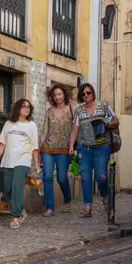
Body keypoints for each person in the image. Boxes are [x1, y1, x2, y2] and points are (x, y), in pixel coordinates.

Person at [72, 83, 119, 219]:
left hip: (102, 147)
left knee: (101, 176)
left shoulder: (104, 106)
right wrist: (71, 145)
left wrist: (107, 122)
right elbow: (75, 129)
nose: (86, 95)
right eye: (83, 94)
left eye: (88, 93)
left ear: (93, 93)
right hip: (84, 147)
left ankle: (105, 196)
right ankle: (88, 208)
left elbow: (116, 121)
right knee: (85, 177)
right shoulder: (79, 110)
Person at [0, 98, 39, 229]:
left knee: (17, 189)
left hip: (23, 161)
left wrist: (37, 165)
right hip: (8, 161)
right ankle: (21, 209)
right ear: (18, 108)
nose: (26, 109)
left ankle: (15, 218)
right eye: (24, 106)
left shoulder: (31, 125)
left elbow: (35, 146)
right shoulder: (9, 124)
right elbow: (2, 144)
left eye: (28, 107)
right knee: (8, 190)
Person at [39, 84, 76, 215]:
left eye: (59, 94)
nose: (57, 97)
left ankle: (67, 200)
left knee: (61, 178)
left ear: (64, 95)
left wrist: (73, 146)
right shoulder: (49, 111)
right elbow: (44, 131)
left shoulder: (72, 109)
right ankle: (50, 208)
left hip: (64, 150)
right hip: (48, 149)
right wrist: (39, 148)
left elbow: (76, 129)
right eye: (55, 95)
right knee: (47, 178)